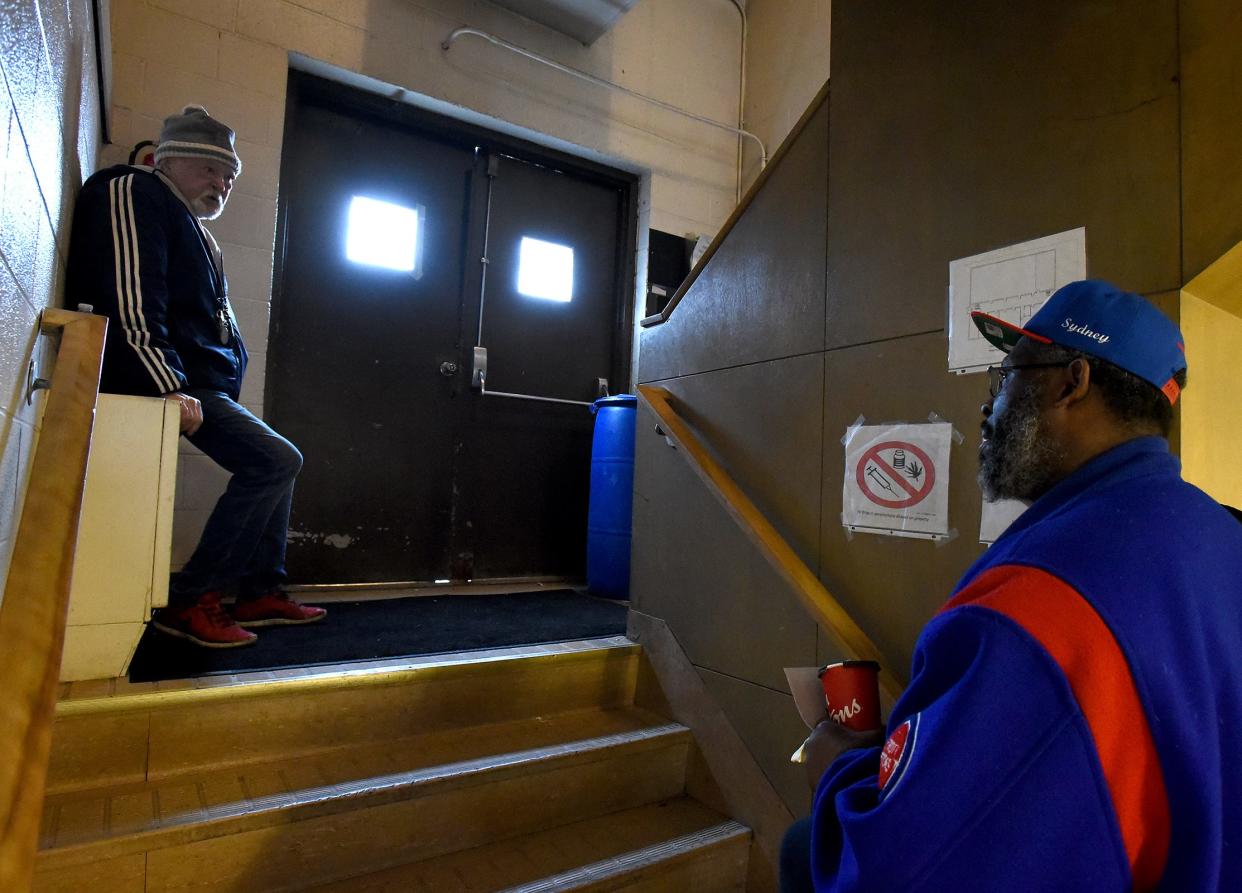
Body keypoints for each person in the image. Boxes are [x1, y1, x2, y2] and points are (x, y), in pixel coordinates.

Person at [783, 280, 1242, 890]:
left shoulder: (1034, 608)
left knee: (800, 848)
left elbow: (902, 871)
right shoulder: (1222, 533)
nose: (989, 407)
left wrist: (836, 769)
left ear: (1071, 381)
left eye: (1008, 377)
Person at [66, 105, 326, 648]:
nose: (221, 184)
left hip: (196, 382)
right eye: (209, 170)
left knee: (277, 461)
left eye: (228, 176)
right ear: (166, 159)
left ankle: (259, 589)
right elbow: (129, 292)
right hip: (161, 377)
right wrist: (166, 382)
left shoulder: (194, 228)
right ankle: (190, 599)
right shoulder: (134, 190)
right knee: (276, 459)